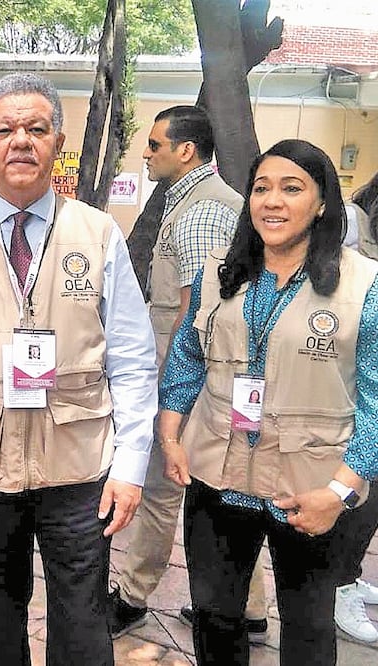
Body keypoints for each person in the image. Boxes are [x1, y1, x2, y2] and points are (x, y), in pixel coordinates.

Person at [0, 72, 158, 666]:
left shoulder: (96, 234)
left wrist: (130, 465)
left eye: (36, 128)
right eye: (6, 130)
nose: (21, 141)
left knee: (83, 621)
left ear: (57, 141)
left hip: (79, 465)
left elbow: (131, 353)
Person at [158, 138, 378, 665]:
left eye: (292, 188)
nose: (272, 202)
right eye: (261, 188)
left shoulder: (362, 285)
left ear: (323, 203)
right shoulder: (220, 272)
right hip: (218, 477)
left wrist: (340, 494)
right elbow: (188, 353)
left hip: (310, 489)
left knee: (306, 627)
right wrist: (170, 437)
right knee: (214, 616)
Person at [108, 105, 269, 644]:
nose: (146, 154)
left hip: (194, 381)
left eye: (154, 145)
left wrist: (173, 398)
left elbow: (198, 314)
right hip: (215, 381)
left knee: (160, 490)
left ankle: (132, 595)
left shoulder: (201, 212)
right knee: (229, 488)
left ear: (186, 151)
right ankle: (248, 607)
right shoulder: (204, 203)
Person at [330, 170, 378, 643]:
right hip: (349, 378)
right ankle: (337, 584)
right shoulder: (351, 221)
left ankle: (348, 570)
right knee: (359, 488)